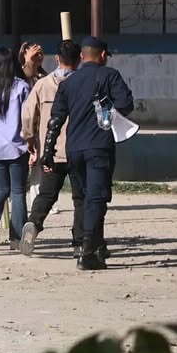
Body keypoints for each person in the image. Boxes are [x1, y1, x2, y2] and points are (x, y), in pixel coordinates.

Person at [40, 36, 134, 271]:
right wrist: (104, 108)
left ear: (82, 56)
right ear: (103, 55)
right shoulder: (109, 76)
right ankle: (87, 251)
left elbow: (55, 120)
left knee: (85, 199)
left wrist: (48, 151)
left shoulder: (68, 83)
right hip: (98, 148)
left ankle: (98, 245)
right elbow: (126, 104)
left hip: (73, 150)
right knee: (96, 198)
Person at [19, 39, 83, 257]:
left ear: (56, 58)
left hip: (51, 151)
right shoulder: (83, 84)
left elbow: (28, 115)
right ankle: (79, 242)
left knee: (46, 194)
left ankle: (33, 224)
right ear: (80, 59)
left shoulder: (43, 84)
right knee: (80, 198)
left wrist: (30, 141)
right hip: (78, 149)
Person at [0, 41, 42, 245]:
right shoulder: (21, 87)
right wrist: (32, 143)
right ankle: (16, 238)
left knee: (1, 189)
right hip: (17, 146)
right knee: (18, 191)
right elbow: (27, 117)